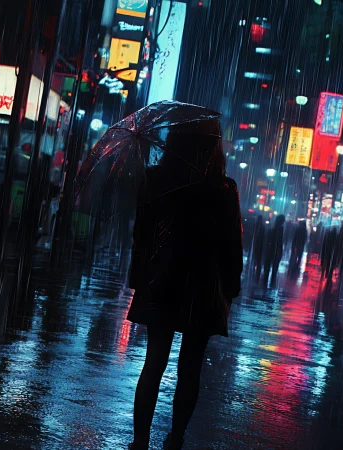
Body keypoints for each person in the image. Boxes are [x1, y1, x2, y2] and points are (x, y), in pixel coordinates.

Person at [128, 134, 243, 450]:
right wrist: (230, 288)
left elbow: (141, 234)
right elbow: (232, 246)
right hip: (202, 287)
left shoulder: (156, 180)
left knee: (154, 361)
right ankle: (176, 438)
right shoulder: (222, 189)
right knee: (190, 367)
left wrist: (140, 277)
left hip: (163, 280)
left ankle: (140, 440)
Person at [262, 215, 286, 287]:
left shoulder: (274, 229)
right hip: (274, 251)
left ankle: (265, 282)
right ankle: (270, 282)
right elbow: (279, 242)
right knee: (273, 268)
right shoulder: (279, 230)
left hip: (272, 250)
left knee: (269, 267)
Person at [251, 215, 266, 281]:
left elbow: (262, 238)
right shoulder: (256, 226)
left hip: (260, 246)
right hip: (256, 245)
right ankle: (254, 271)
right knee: (255, 258)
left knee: (258, 259)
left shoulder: (262, 227)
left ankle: (257, 273)